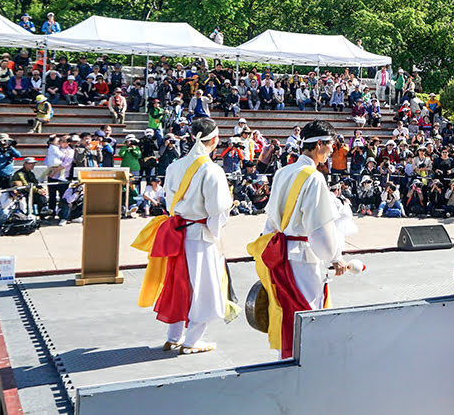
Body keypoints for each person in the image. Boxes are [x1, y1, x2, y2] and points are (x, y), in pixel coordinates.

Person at [132, 117, 235, 355]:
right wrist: (215, 232)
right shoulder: (212, 169)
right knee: (205, 289)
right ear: (215, 140)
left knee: (178, 284)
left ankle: (174, 337)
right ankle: (192, 340)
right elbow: (218, 210)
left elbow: (169, 201)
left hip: (177, 232)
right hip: (200, 235)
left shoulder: (174, 166)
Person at [249, 120, 352, 358]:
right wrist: (335, 257)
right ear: (318, 145)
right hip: (304, 256)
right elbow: (318, 228)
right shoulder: (314, 178)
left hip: (281, 251)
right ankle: (304, 363)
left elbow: (272, 218)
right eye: (330, 147)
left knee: (286, 311)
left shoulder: (283, 172)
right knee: (308, 312)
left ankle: (287, 360)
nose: (331, 152)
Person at [0, 133, 22, 212]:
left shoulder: (10, 150)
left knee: (8, 194)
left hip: (7, 176)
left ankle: (6, 210)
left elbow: (19, 155)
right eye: (3, 141)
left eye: (6, 141)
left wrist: (10, 147)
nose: (5, 142)